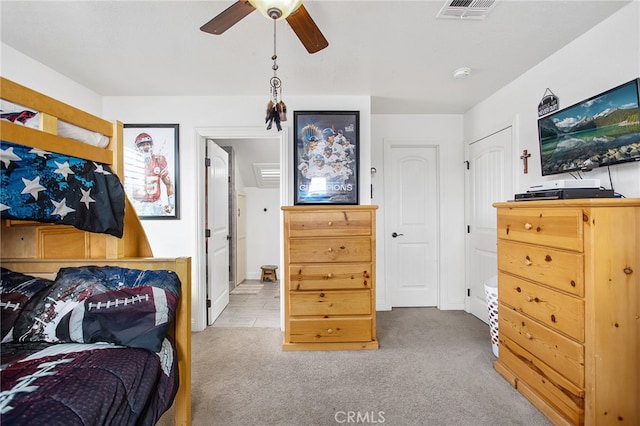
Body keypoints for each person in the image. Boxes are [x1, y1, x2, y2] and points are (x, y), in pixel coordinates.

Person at [130, 132, 175, 216]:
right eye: (143, 145)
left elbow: (168, 184)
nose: (146, 147)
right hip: (138, 205)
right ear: (137, 147)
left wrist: (171, 204)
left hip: (156, 203)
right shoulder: (132, 163)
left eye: (148, 144)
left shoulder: (159, 160)